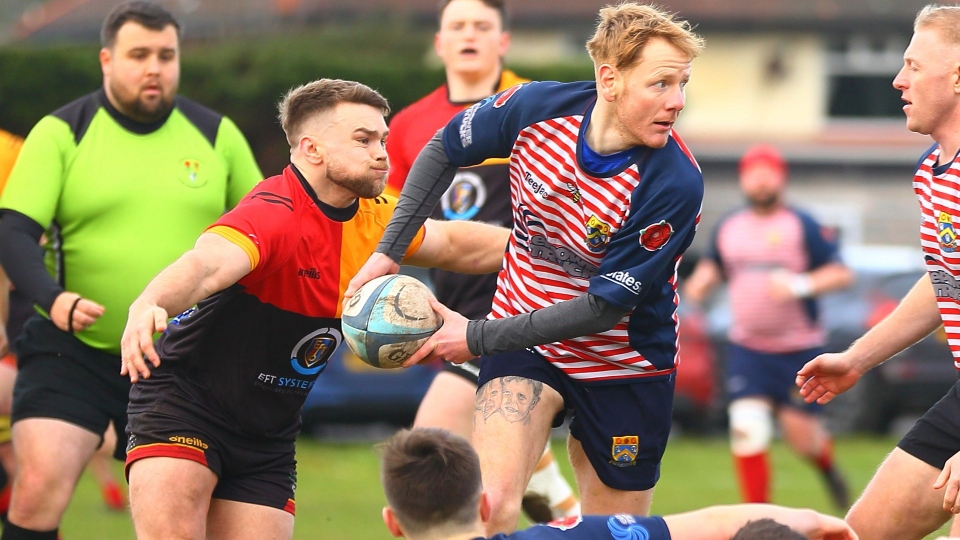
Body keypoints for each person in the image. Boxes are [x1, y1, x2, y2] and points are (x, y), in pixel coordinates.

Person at [348, 2, 706, 533]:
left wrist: (476, 335)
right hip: (527, 344)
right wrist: (390, 250)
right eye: (660, 84)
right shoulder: (536, 107)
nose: (676, 102)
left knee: (613, 532)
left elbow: (603, 306)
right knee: (490, 508)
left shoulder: (674, 182)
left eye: (683, 84)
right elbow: (442, 147)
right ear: (609, 79)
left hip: (623, 364)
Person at [119, 78, 510, 540]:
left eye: (382, 139)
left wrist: (556, 252)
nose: (381, 153)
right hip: (186, 403)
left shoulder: (378, 217)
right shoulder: (274, 211)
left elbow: (455, 243)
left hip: (269, 434)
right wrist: (150, 302)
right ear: (312, 149)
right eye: (362, 140)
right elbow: (204, 266)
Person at [0, 2, 263, 537]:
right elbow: (12, 232)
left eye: (166, 55)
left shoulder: (217, 136)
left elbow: (263, 236)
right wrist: (54, 300)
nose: (154, 68)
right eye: (138, 54)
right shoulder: (60, 133)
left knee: (178, 516)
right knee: (36, 488)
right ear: (106, 60)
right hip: (71, 350)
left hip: (184, 360)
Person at [387, 0, 578, 522]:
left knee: (425, 456)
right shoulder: (408, 126)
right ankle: (553, 496)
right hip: (456, 313)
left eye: (482, 25)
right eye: (457, 26)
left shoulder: (536, 106)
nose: (469, 34)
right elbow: (394, 224)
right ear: (439, 42)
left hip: (524, 309)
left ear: (504, 41)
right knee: (501, 464)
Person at [796, 5, 960, 539]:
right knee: (856, 533)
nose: (897, 79)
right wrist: (857, 360)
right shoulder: (933, 174)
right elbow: (945, 282)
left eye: (913, 64)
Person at [683, 144, 853, 509]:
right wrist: (701, 281)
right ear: (743, 180)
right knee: (747, 430)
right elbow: (715, 265)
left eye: (767, 174)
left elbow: (840, 273)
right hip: (748, 348)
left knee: (802, 440)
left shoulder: (802, 224)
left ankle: (828, 467)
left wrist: (800, 285)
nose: (760, 183)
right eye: (753, 175)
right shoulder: (730, 226)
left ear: (781, 178)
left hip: (799, 350)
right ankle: (757, 519)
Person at [378, 428, 858, 540]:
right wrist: (812, 519)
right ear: (485, 505)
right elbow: (698, 526)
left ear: (393, 524)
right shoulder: (565, 535)